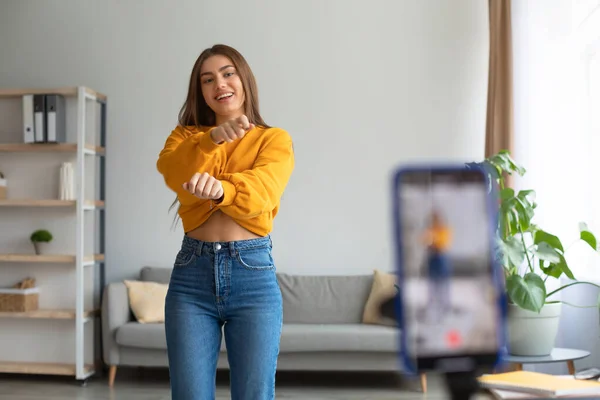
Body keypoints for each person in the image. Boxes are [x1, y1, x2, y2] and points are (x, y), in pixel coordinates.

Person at [156, 44, 295, 400]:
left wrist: (222, 190)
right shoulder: (185, 138)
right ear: (201, 92)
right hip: (192, 277)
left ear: (244, 79)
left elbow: (264, 192)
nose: (219, 83)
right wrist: (212, 138)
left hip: (253, 274)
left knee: (254, 394)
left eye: (228, 73)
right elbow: (174, 173)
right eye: (208, 79)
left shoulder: (273, 139)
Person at [421, 209, 452, 319]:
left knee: (442, 283)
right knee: (432, 284)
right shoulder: (430, 230)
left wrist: (433, 240)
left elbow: (443, 244)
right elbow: (424, 241)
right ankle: (433, 306)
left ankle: (445, 307)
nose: (433, 221)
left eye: (434, 219)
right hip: (432, 258)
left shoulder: (444, 230)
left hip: (440, 257)